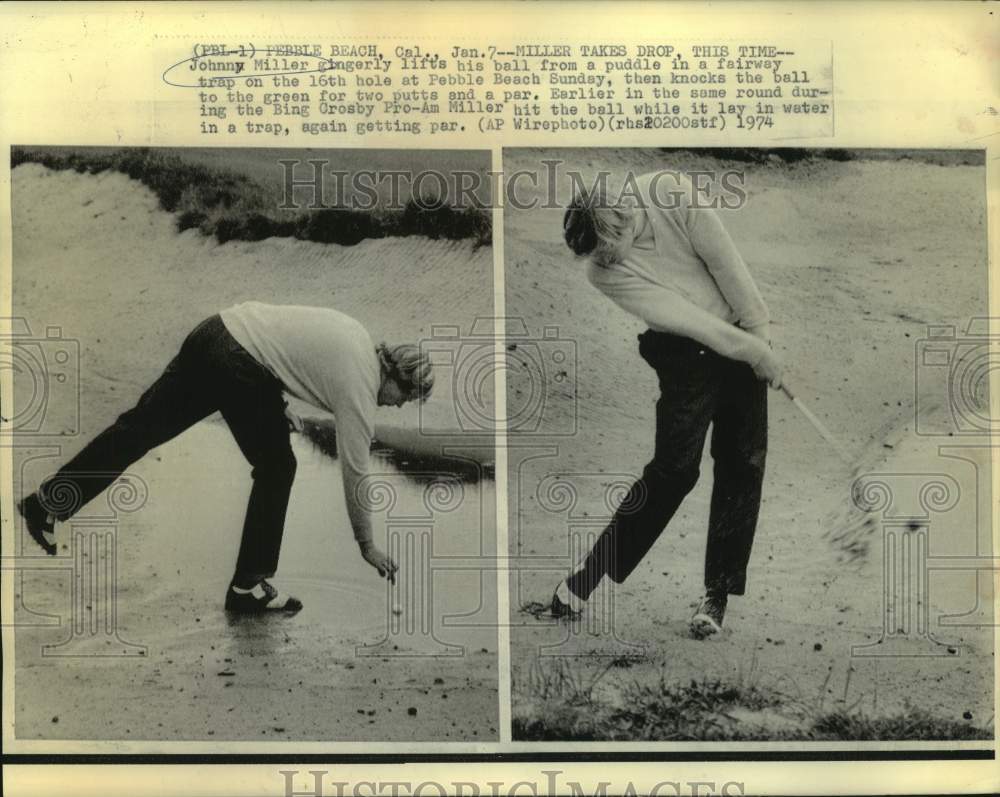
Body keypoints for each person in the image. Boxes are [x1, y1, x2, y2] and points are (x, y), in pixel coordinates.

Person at [17, 301, 434, 614]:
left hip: (215, 332)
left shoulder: (358, 337)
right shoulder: (360, 388)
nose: (397, 406)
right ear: (396, 376)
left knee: (139, 429)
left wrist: (274, 404)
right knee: (277, 467)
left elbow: (283, 344)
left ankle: (47, 503)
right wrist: (366, 544)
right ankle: (247, 587)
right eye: (405, 398)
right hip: (238, 365)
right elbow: (356, 471)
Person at [554, 170, 783, 638]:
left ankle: (716, 596)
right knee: (674, 470)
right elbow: (685, 319)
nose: (605, 260)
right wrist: (753, 352)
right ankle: (587, 575)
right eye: (597, 255)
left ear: (622, 220)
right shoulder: (602, 272)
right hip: (683, 351)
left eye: (607, 247)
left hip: (739, 326)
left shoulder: (671, 193)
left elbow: (727, 266)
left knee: (742, 463)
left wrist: (759, 337)